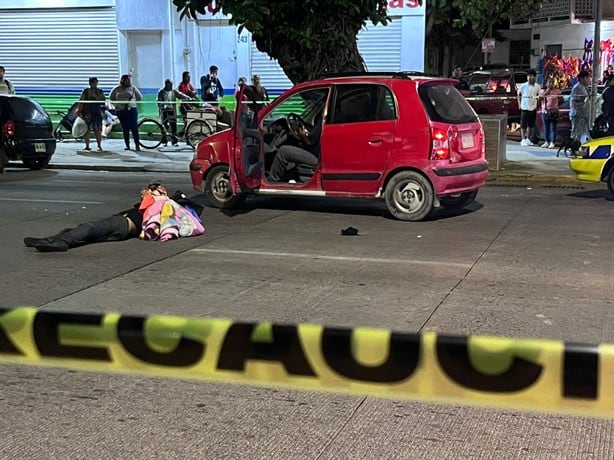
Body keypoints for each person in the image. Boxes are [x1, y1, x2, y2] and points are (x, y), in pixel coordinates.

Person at [268, 117, 322, 183]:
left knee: (283, 151)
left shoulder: (322, 120)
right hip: (316, 154)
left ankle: (271, 181)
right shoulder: (323, 119)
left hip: (318, 158)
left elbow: (310, 140)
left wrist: (302, 134)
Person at [110, 74, 143, 151]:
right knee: (125, 128)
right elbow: (111, 98)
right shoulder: (117, 89)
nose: (128, 81)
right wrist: (116, 105)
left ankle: (137, 145)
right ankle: (127, 145)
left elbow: (140, 97)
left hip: (131, 110)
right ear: (122, 80)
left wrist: (133, 103)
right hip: (121, 111)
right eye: (126, 80)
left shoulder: (133, 88)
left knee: (134, 128)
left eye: (129, 80)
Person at [75, 77, 105, 152]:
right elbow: (81, 101)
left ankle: (99, 145)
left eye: (96, 82)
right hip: (87, 112)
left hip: (96, 113)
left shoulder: (100, 91)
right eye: (93, 83)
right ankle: (87, 146)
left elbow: (103, 101)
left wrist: (95, 96)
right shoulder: (85, 91)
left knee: (97, 130)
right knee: (87, 130)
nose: (94, 84)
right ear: (90, 83)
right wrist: (79, 111)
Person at [157, 79, 190, 146]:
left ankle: (174, 141)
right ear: (166, 85)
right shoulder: (161, 92)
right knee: (164, 126)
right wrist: (162, 106)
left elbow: (181, 95)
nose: (171, 86)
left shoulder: (174, 91)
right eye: (170, 85)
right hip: (164, 111)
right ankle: (164, 141)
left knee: (173, 126)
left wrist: (188, 98)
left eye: (172, 85)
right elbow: (159, 101)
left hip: (172, 110)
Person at [517, 69, 541, 146]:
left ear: (534, 77)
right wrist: (519, 104)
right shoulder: (523, 86)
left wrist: (537, 105)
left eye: (531, 76)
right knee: (523, 124)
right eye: (528, 76)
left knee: (531, 124)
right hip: (524, 107)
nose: (529, 77)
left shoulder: (537, 87)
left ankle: (528, 139)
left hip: (533, 107)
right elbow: (518, 94)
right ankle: (523, 139)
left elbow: (539, 96)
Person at [570, 70, 591, 147]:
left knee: (584, 133)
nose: (589, 80)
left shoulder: (585, 87)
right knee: (576, 133)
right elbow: (575, 102)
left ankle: (579, 147)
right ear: (582, 78)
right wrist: (578, 112)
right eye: (587, 78)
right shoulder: (577, 87)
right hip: (578, 115)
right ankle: (572, 148)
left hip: (584, 115)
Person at [538, 78, 561, 149]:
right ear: (546, 83)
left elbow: (561, 99)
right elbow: (540, 98)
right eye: (549, 82)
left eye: (552, 82)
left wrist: (556, 106)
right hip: (545, 112)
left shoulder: (557, 91)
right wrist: (547, 92)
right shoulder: (543, 91)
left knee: (553, 128)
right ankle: (546, 141)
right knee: (546, 128)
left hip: (554, 112)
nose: (551, 84)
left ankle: (552, 142)